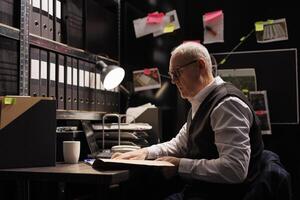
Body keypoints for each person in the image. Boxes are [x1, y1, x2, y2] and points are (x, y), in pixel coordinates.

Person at [112, 42, 264, 200]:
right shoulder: (201, 102)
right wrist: (145, 152)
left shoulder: (227, 104)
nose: (173, 81)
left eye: (177, 73)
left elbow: (235, 169)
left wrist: (180, 165)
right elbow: (179, 144)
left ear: (200, 65)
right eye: (171, 75)